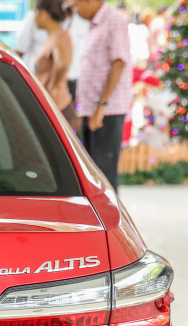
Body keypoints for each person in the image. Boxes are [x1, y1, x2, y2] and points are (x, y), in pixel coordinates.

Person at [74, 0, 132, 191]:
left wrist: (102, 103)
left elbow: (119, 61)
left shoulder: (115, 20)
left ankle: (110, 221)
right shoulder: (94, 24)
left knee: (103, 176)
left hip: (106, 109)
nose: (75, 9)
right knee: (92, 175)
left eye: (75, 4)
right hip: (92, 108)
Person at [34, 0, 80, 131]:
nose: (34, 18)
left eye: (35, 13)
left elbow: (63, 64)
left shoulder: (59, 37)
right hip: (56, 107)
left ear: (43, 14)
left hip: (58, 107)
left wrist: (51, 90)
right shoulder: (57, 36)